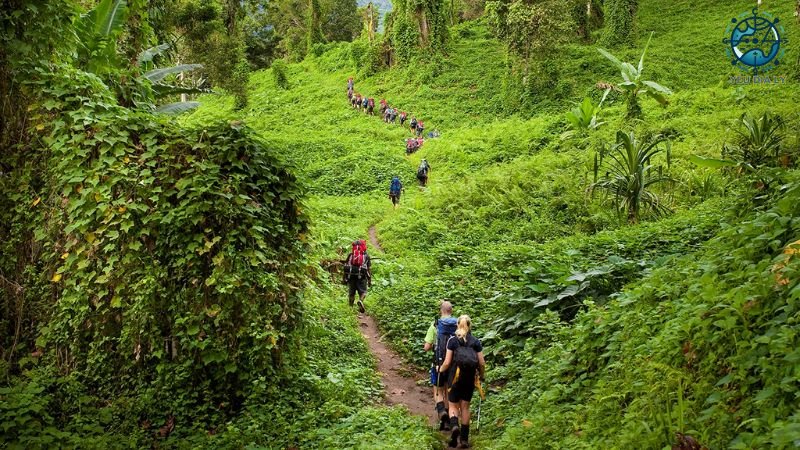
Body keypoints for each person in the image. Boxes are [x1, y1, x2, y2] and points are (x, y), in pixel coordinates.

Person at [439, 315, 485, 448]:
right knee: (465, 406)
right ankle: (464, 439)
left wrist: (440, 370)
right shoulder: (475, 342)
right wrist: (482, 376)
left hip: (455, 378)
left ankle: (454, 427)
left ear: (457, 325)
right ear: (470, 326)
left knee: (453, 406)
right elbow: (481, 363)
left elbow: (447, 362)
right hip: (469, 379)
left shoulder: (452, 341)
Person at [424, 301, 457, 431]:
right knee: (448, 392)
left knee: (438, 390)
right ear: (451, 311)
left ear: (440, 311)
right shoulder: (458, 325)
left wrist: (431, 344)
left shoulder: (435, 325)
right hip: (453, 364)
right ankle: (448, 422)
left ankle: (441, 410)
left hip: (438, 363)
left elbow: (426, 347)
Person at [342, 240, 371, 313]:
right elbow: (368, 269)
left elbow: (346, 266)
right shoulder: (366, 256)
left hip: (351, 276)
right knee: (363, 292)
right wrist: (369, 280)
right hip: (361, 277)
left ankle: (350, 308)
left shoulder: (351, 255)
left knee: (351, 293)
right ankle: (360, 301)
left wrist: (344, 278)